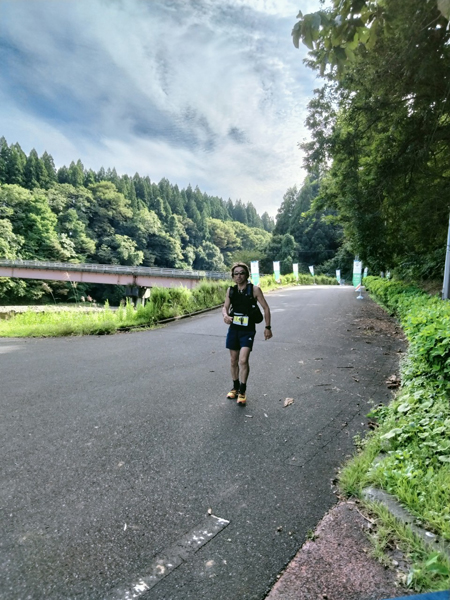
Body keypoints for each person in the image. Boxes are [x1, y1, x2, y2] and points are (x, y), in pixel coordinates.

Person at [222, 262, 272, 406]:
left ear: (247, 275)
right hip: (234, 329)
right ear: (233, 276)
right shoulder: (231, 290)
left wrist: (268, 327)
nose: (239, 276)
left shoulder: (254, 290)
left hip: (248, 330)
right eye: (236, 274)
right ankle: (235, 387)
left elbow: (266, 308)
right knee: (233, 360)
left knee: (243, 360)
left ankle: (242, 391)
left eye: (242, 273)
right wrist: (225, 315)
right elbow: (225, 307)